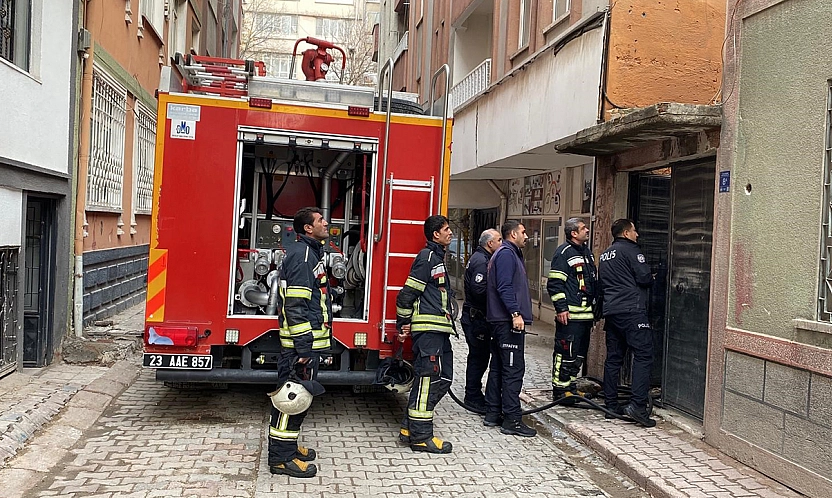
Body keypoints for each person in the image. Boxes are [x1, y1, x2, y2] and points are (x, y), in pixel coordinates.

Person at [268, 207, 333, 477]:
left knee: (299, 399)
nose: (326, 223)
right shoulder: (304, 255)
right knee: (290, 400)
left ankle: (289, 447)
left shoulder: (308, 252)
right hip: (299, 347)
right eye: (320, 220)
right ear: (308, 228)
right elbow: (295, 305)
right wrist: (304, 347)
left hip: (303, 345)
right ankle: (281, 460)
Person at [395, 215, 455, 454]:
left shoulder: (437, 258)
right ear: (435, 235)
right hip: (429, 331)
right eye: (446, 229)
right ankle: (421, 437)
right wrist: (403, 322)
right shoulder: (427, 258)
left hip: (439, 330)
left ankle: (409, 428)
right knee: (428, 380)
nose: (450, 233)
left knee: (443, 378)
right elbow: (406, 294)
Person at [598, 218, 656, 428]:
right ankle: (638, 406)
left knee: (614, 358)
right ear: (625, 233)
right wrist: (652, 277)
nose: (637, 234)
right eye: (634, 230)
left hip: (612, 312)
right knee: (643, 355)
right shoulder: (631, 250)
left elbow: (602, 283)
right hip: (632, 311)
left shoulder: (605, 254)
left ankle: (610, 405)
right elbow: (644, 277)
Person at [483, 220, 536, 437]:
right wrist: (515, 313)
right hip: (507, 322)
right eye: (524, 232)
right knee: (513, 370)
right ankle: (512, 420)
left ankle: (493, 413)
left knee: (499, 367)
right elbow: (504, 285)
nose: (526, 236)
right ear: (513, 234)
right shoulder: (506, 254)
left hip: (500, 321)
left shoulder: (506, 253)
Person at [546, 217, 598, 403]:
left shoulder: (587, 253)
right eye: (583, 228)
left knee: (578, 354)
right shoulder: (564, 253)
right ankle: (560, 391)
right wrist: (561, 308)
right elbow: (554, 284)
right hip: (570, 316)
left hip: (585, 316)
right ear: (573, 233)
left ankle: (571, 388)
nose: (587, 230)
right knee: (565, 353)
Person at [461, 228, 502, 412]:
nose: (501, 243)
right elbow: (479, 291)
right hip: (476, 319)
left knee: (480, 357)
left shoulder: (483, 258)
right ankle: (473, 397)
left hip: (477, 317)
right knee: (478, 358)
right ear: (489, 243)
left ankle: (474, 394)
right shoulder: (481, 261)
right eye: (499, 240)